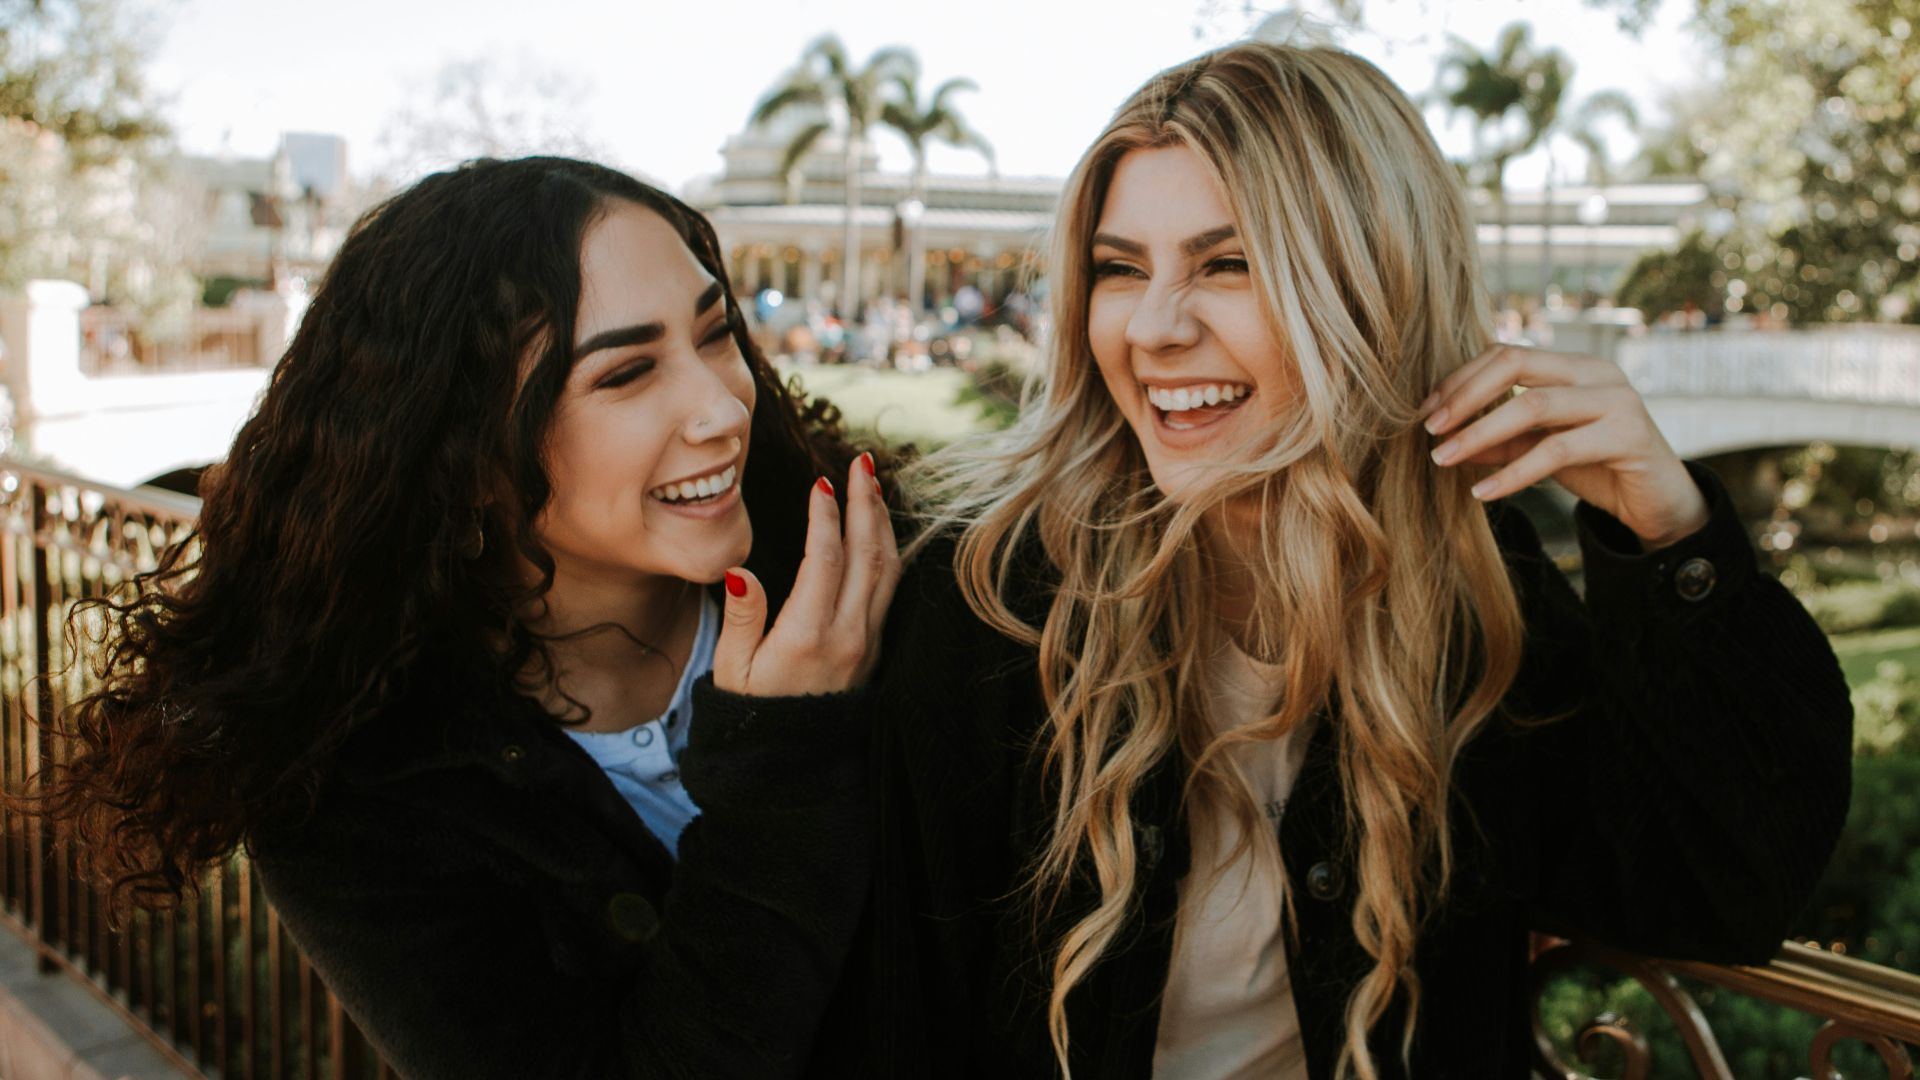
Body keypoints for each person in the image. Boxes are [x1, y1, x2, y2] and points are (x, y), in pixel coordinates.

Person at [857, 43, 1853, 1079]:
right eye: (1119, 269)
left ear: (1370, 284)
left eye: (1227, 263)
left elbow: (1723, 887)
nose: (1153, 328)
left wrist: (1675, 539)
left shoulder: (1469, 587)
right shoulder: (995, 600)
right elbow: (904, 1012)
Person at [27, 157, 900, 1078]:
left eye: (718, 332)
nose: (724, 406)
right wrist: (786, 757)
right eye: (627, 374)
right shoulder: (356, 798)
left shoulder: (874, 578)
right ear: (463, 450)